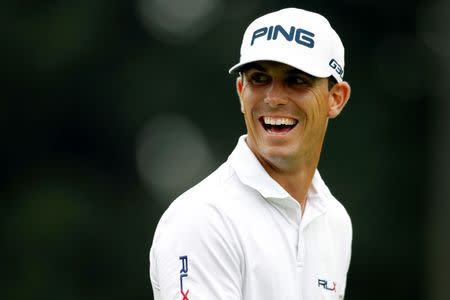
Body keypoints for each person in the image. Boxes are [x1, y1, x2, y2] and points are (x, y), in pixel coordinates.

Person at [149, 7, 352, 300]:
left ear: (336, 99)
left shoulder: (334, 221)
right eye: (259, 79)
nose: (274, 98)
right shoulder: (203, 220)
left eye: (296, 80)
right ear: (241, 90)